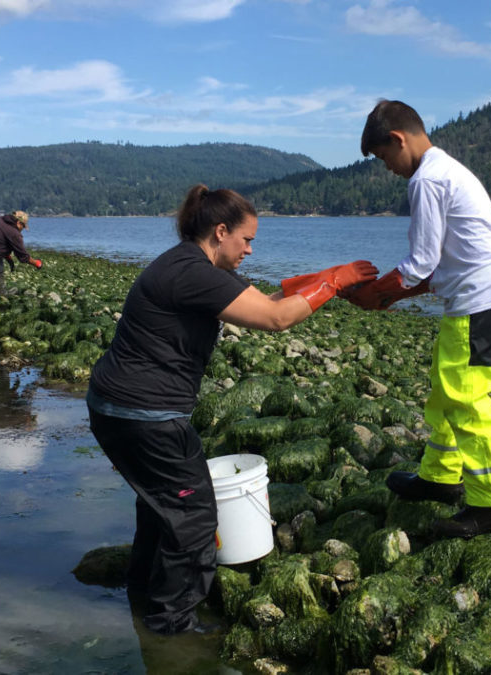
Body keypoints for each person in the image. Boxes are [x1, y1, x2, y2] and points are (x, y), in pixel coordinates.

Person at [86, 184, 377, 635]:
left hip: (118, 407)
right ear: (221, 232)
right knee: (196, 523)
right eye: (247, 240)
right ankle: (171, 635)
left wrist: (327, 282)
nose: (250, 250)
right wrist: (334, 283)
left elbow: (272, 302)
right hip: (144, 415)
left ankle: (142, 599)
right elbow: (277, 321)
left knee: (160, 507)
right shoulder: (193, 273)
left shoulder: (191, 264)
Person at [345, 100, 491, 539]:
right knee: (446, 388)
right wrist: (395, 292)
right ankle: (441, 476)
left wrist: (376, 295)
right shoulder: (447, 169)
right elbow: (448, 261)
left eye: (384, 157)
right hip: (481, 294)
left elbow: (421, 263)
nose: (387, 168)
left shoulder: (427, 179)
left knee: (466, 398)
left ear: (398, 139)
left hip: (482, 299)